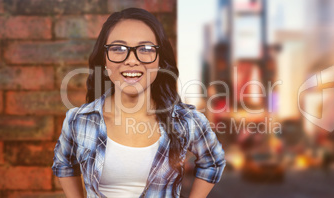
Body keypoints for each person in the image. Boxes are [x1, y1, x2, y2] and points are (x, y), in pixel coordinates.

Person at [51, 8, 226, 198]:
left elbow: (213, 161)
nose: (132, 61)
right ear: (104, 57)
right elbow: (64, 164)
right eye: (118, 49)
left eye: (146, 49)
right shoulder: (78, 120)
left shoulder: (186, 120)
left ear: (160, 59)